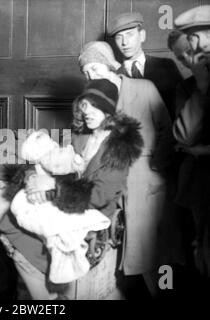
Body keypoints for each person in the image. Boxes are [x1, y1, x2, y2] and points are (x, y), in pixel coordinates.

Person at [0, 79, 144, 299]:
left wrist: (53, 188)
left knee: (13, 229)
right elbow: (58, 164)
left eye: (95, 106)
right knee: (10, 220)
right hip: (71, 198)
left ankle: (49, 294)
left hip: (93, 210)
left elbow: (99, 195)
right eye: (85, 105)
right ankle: (49, 289)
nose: (88, 112)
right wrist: (35, 177)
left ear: (109, 111)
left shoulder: (119, 146)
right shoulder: (83, 135)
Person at [78, 41, 180, 297]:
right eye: (86, 72)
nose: (91, 76)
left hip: (145, 182)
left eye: (94, 68)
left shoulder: (144, 88)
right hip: (115, 183)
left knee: (152, 254)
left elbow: (168, 131)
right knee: (124, 252)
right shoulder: (96, 99)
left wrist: (155, 164)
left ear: (109, 64)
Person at [173, 5, 210, 278]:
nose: (189, 56)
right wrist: (202, 85)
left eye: (195, 40)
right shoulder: (191, 85)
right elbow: (184, 136)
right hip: (201, 184)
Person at [108, 12, 183, 119]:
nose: (124, 42)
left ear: (142, 35)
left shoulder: (166, 66)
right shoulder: (114, 77)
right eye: (119, 37)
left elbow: (182, 105)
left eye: (129, 34)